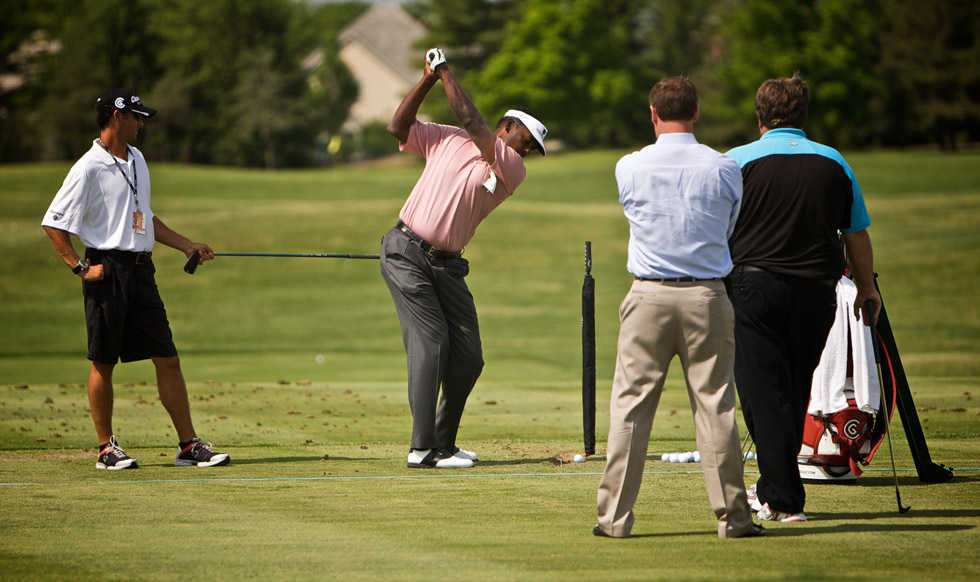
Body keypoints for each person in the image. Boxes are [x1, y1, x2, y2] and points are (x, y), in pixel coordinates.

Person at [594, 77, 765, 539]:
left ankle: (613, 520)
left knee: (630, 409)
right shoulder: (724, 166)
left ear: (653, 114)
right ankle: (734, 519)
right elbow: (728, 226)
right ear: (696, 113)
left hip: (648, 295)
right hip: (707, 295)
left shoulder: (628, 166)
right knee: (715, 408)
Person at [42, 88, 229, 470]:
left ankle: (188, 445)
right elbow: (54, 223)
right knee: (104, 361)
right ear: (116, 117)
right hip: (106, 271)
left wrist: (185, 245)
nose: (141, 123)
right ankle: (106, 449)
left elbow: (145, 215)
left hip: (142, 271)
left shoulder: (137, 158)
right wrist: (78, 266)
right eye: (136, 117)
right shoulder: (88, 167)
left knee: (168, 358)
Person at [380, 49, 547, 469]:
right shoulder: (446, 138)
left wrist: (444, 71)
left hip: (448, 266)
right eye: (526, 142)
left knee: (469, 355)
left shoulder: (510, 168)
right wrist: (427, 81)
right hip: (406, 252)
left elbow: (472, 120)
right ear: (507, 127)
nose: (527, 153)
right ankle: (422, 450)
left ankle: (443, 442)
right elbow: (398, 127)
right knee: (432, 342)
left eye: (532, 150)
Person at [725, 74, 881, 522]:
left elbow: (713, 227)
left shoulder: (735, 161)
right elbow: (856, 232)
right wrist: (868, 288)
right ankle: (775, 489)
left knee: (761, 394)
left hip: (754, 288)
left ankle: (783, 500)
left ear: (759, 118)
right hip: (818, 293)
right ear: (803, 116)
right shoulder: (834, 162)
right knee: (791, 391)